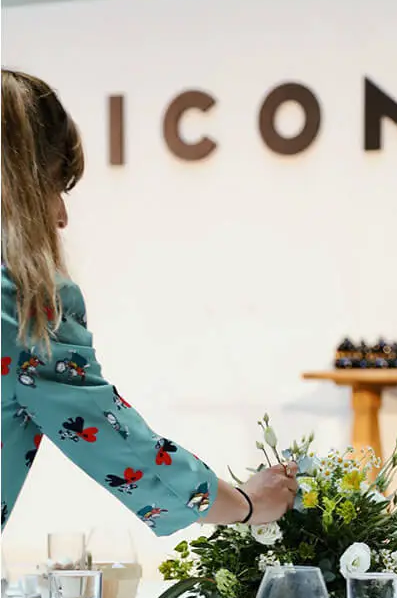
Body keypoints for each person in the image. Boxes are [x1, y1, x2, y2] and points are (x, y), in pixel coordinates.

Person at [1, 69, 297, 535]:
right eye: (56, 185)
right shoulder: (21, 298)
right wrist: (247, 502)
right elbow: (114, 440)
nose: (61, 216)